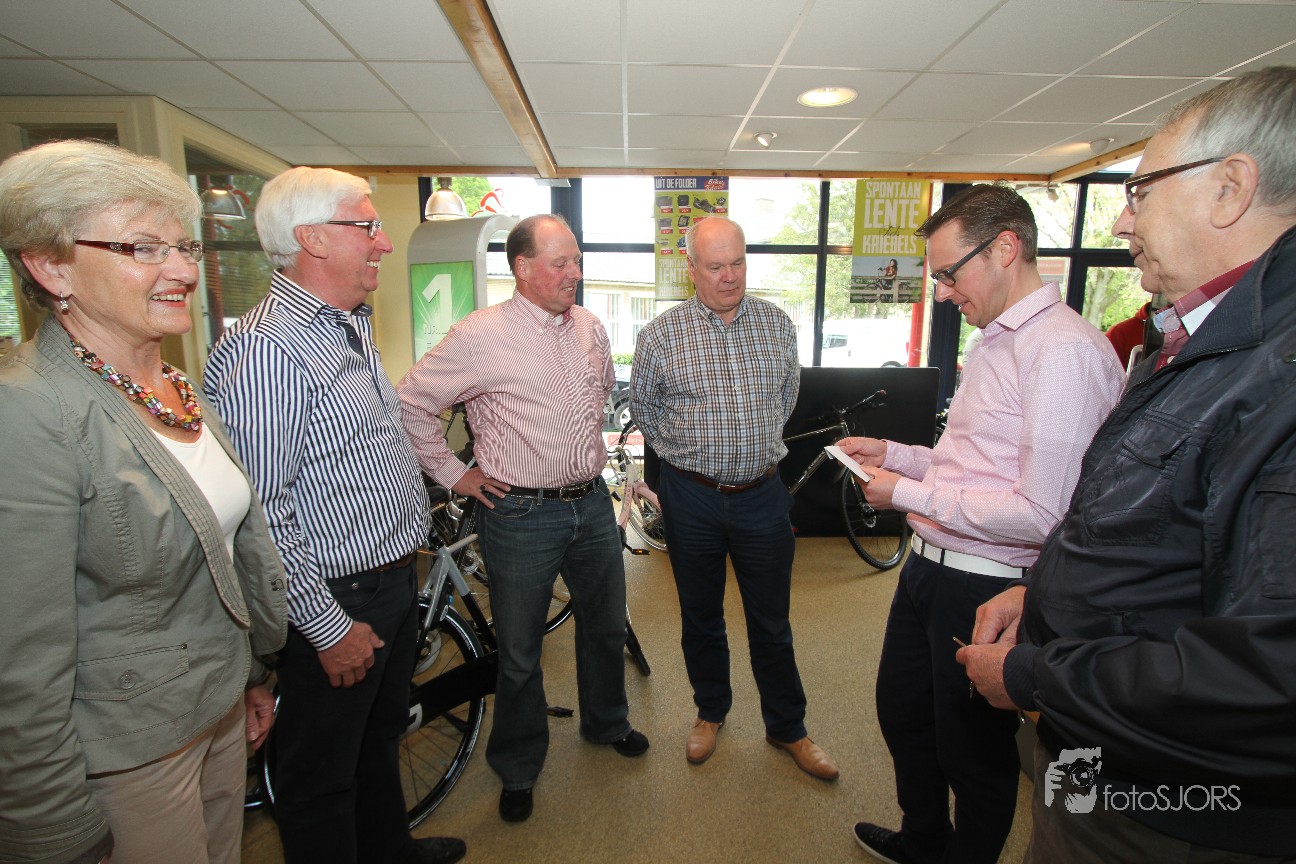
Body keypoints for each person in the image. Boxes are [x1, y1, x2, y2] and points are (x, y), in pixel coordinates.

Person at [956, 66, 1296, 863]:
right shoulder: (1199, 338)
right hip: (1101, 751)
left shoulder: (1276, 373)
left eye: (1140, 191)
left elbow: (1268, 675)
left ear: (1230, 189)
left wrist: (1038, 676)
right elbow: (1160, 537)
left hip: (1172, 809)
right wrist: (1043, 598)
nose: (1120, 219)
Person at [0, 140, 287, 864]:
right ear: (50, 266)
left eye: (184, 246)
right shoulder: (28, 411)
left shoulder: (174, 385)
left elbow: (217, 562)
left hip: (215, 708)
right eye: (143, 247)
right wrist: (53, 827)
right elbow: (21, 657)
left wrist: (249, 677)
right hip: (128, 751)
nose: (184, 270)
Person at [837, 184, 1124, 864]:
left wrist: (907, 493)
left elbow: (1043, 513)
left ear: (1005, 249)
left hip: (989, 586)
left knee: (972, 752)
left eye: (948, 274)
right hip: (930, 570)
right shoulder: (996, 340)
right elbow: (971, 466)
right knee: (905, 714)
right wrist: (895, 454)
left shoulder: (1062, 350)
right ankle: (923, 839)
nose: (942, 294)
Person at [203, 167, 465, 864]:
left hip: (387, 580)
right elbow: (262, 513)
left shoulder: (347, 325)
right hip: (335, 599)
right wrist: (326, 628)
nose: (384, 242)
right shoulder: (267, 350)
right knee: (320, 777)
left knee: (377, 740)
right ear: (312, 239)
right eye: (368, 225)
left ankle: (389, 852)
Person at [397, 213, 648, 825]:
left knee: (605, 627)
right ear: (523, 267)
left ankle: (606, 722)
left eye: (577, 260)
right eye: (560, 263)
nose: (574, 273)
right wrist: (454, 473)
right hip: (519, 514)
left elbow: (597, 399)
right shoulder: (479, 334)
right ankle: (517, 765)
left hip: (591, 504)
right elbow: (410, 400)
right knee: (519, 650)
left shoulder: (589, 326)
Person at [629, 216, 839, 781]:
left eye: (738, 263)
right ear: (691, 268)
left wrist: (749, 446)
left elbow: (787, 396)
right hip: (691, 498)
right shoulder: (660, 336)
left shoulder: (777, 325)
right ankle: (710, 711)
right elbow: (645, 409)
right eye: (716, 266)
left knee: (772, 620)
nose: (729, 276)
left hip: (762, 497)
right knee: (700, 615)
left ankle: (788, 726)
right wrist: (687, 457)